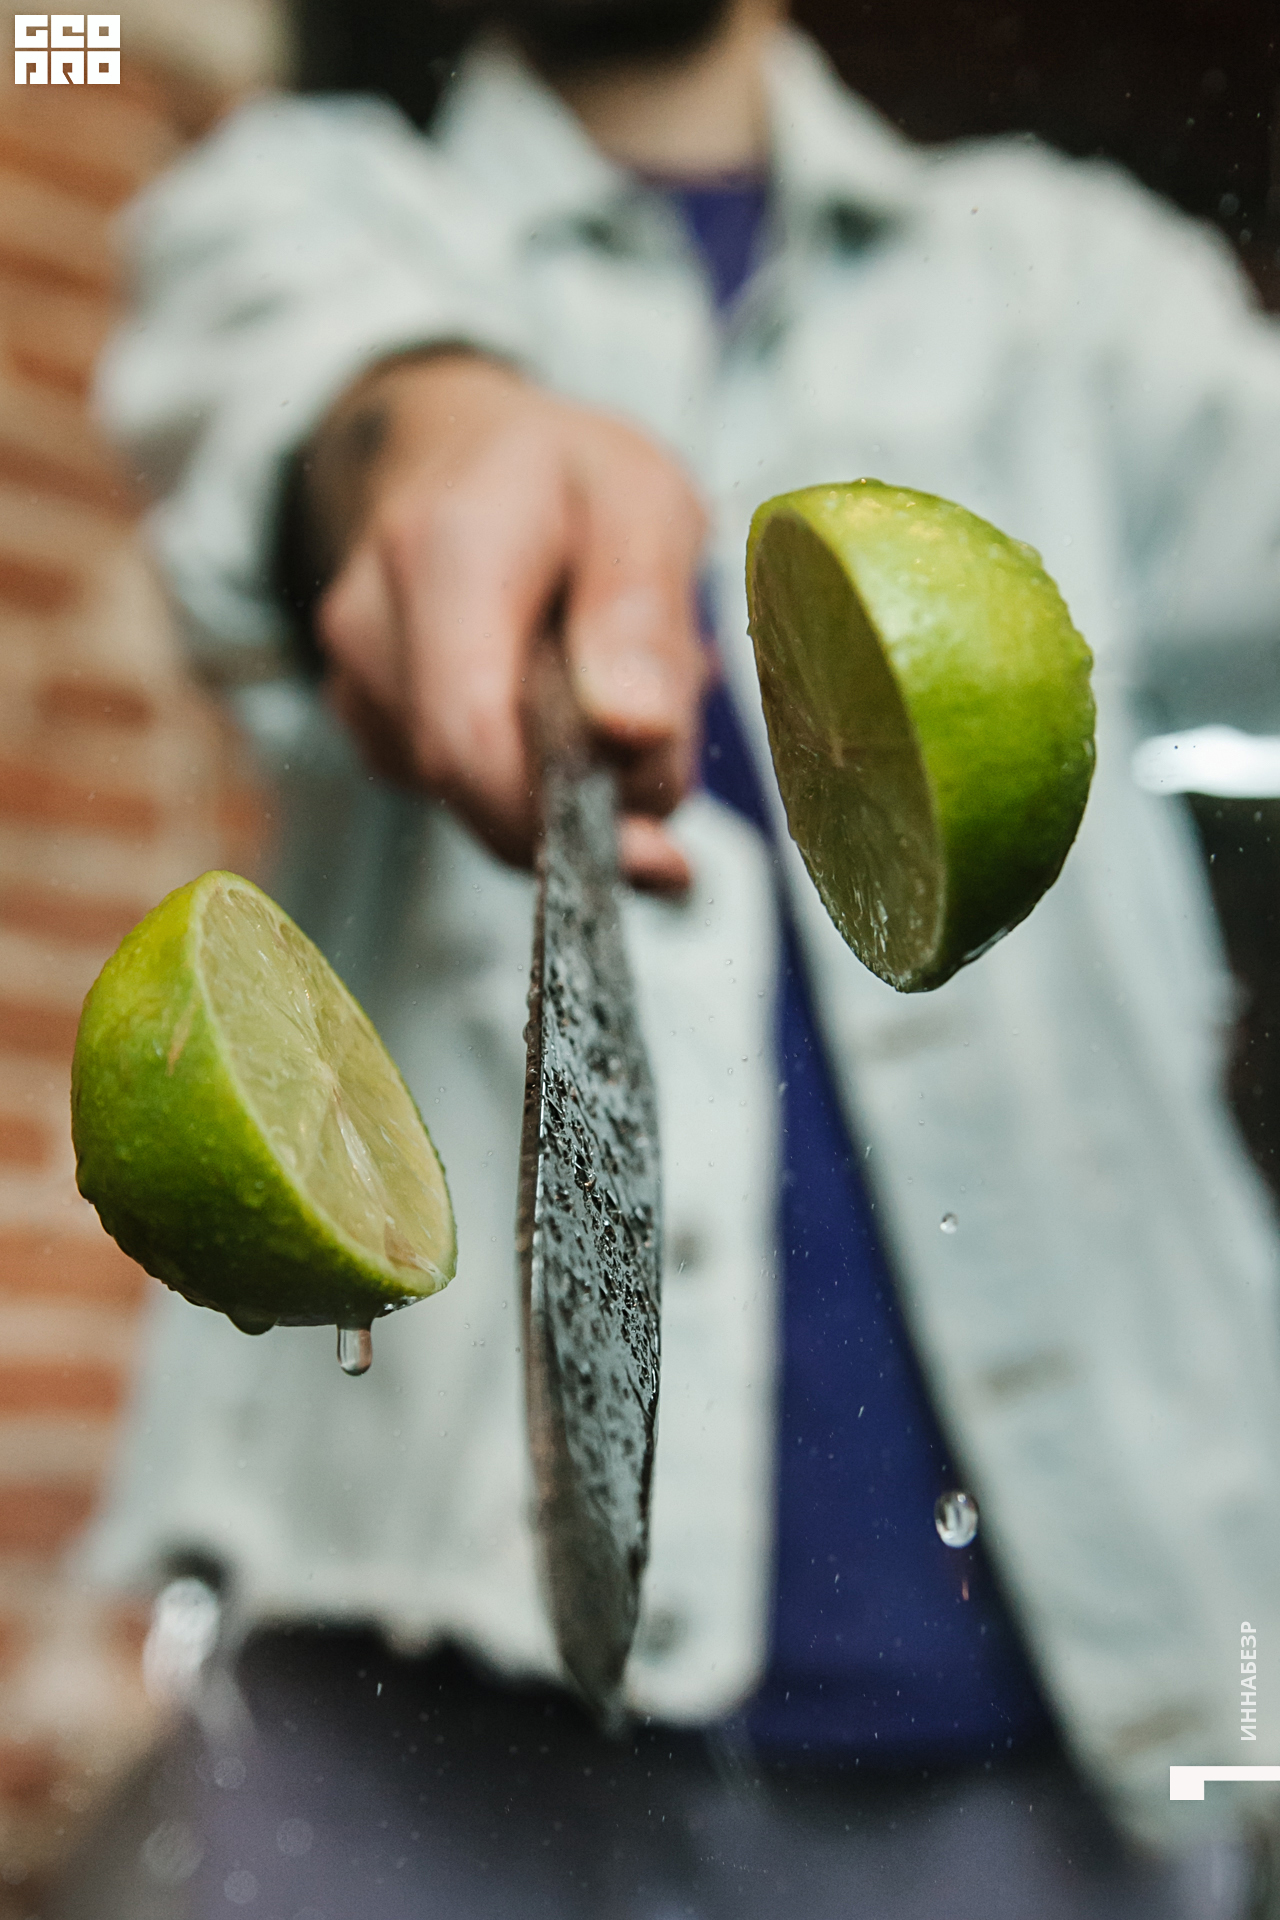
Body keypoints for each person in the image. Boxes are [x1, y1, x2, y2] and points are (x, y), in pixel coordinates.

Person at [59, 1, 1280, 1913]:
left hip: (1056, 1741)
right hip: (404, 1729)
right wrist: (430, 443)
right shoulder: (321, 196)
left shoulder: (1074, 283)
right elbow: (306, 377)